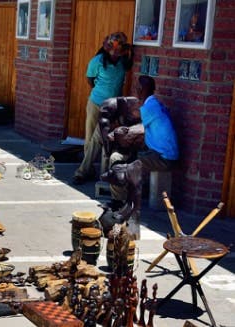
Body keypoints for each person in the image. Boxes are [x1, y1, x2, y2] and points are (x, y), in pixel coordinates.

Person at [100, 76, 179, 236]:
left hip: (164, 158)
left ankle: (120, 203)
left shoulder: (149, 107)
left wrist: (117, 133)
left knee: (125, 168)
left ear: (141, 90)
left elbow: (136, 126)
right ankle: (120, 200)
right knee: (123, 159)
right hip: (160, 153)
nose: (135, 89)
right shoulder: (154, 103)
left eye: (137, 87)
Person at [72, 32, 133, 185]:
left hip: (113, 106)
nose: (116, 54)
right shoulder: (97, 61)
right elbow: (90, 80)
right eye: (114, 51)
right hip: (96, 103)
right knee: (90, 136)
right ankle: (88, 170)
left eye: (118, 52)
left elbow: (129, 60)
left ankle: (88, 171)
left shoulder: (122, 62)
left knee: (101, 138)